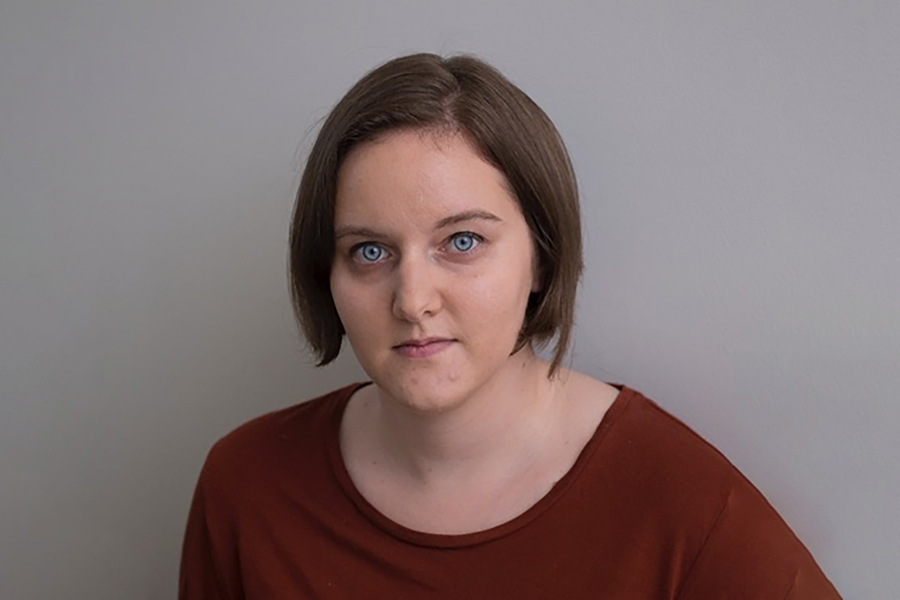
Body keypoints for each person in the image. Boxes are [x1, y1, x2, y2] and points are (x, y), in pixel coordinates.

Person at [179, 53, 841, 599]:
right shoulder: (247, 486)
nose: (412, 299)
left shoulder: (676, 501)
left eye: (461, 242)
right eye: (369, 251)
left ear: (541, 259)